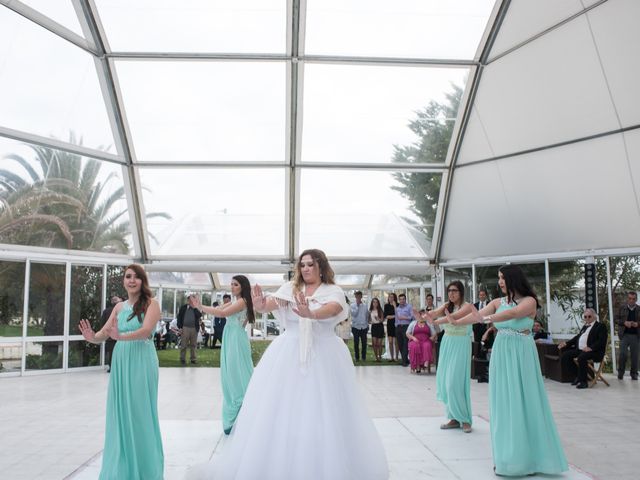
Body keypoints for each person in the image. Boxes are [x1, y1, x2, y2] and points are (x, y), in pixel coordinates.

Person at [188, 249, 388, 479]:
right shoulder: (290, 289)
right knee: (282, 407)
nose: (305, 269)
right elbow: (267, 305)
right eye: (302, 265)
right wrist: (259, 302)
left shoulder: (333, 290)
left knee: (324, 410)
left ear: (321, 267)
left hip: (324, 353)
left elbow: (333, 308)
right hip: (288, 352)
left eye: (310, 264)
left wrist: (310, 313)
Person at [449, 264, 567, 476]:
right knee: (503, 402)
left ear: (513, 279)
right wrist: (455, 321)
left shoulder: (529, 301)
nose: (500, 281)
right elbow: (476, 316)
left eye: (503, 277)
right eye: (499, 278)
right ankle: (507, 458)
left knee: (524, 401)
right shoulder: (496, 302)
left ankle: (530, 458)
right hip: (502, 352)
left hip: (522, 354)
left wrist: (486, 318)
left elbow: (513, 313)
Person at [78, 264, 164, 480]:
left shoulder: (152, 304)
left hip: (142, 360)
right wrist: (91, 337)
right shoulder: (118, 308)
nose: (131, 280)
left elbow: (145, 332)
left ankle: (145, 470)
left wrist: (121, 338)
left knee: (140, 413)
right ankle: (123, 469)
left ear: (143, 281)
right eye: (128, 277)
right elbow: (104, 333)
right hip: (122, 361)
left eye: (136, 277)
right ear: (124, 281)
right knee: (121, 412)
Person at [194, 276, 254, 434]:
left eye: (236, 284)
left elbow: (222, 314)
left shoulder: (242, 301)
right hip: (231, 337)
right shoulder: (235, 301)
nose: (232, 287)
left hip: (236, 339)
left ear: (243, 287)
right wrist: (201, 306)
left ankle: (243, 411)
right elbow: (220, 310)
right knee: (230, 374)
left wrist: (201, 307)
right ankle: (239, 413)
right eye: (231, 284)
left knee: (237, 373)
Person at [426, 281, 473, 433]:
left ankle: (465, 419)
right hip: (447, 343)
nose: (451, 293)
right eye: (449, 291)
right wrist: (425, 315)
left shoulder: (467, 306)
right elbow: (432, 314)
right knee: (446, 382)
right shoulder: (446, 305)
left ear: (461, 292)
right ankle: (453, 418)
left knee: (455, 382)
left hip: (461, 344)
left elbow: (453, 318)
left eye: (455, 291)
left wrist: (435, 321)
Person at [559, 308, 608, 388]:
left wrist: (591, 348)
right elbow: (577, 337)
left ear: (594, 317)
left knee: (582, 357)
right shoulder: (585, 327)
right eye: (585, 317)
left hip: (595, 352)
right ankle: (578, 376)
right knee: (565, 356)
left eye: (589, 316)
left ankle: (583, 382)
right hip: (581, 350)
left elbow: (601, 341)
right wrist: (566, 343)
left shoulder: (600, 326)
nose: (587, 318)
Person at [616, 291, 639, 380]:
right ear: (627, 299)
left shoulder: (639, 309)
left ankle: (634, 374)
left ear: (636, 300)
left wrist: (637, 324)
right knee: (622, 354)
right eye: (629, 298)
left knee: (635, 356)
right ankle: (620, 372)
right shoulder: (622, 308)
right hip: (624, 335)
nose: (631, 300)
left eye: (633, 299)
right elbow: (616, 319)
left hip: (636, 335)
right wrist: (624, 322)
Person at [406, 309, 435, 373]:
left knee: (427, 345)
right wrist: (413, 338)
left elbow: (434, 333)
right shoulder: (413, 323)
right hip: (415, 339)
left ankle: (426, 362)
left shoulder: (429, 323)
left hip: (426, 339)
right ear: (418, 315)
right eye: (421, 314)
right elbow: (407, 333)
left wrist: (432, 338)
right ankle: (418, 366)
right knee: (415, 346)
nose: (422, 316)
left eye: (424, 314)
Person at [177, 294, 202, 365]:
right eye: (190, 300)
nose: (191, 301)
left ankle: (193, 359)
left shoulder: (196, 308)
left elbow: (199, 315)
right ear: (187, 300)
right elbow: (179, 318)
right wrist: (180, 327)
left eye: (192, 300)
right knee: (184, 345)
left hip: (194, 329)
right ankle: (182, 359)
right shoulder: (183, 307)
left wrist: (194, 308)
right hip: (185, 328)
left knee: (193, 345)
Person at [100, 295, 122, 372]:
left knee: (111, 353)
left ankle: (111, 367)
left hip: (109, 337)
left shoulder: (106, 311)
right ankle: (119, 367)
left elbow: (103, 324)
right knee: (120, 353)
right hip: (120, 336)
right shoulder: (121, 310)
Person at [395, 293, 414, 366]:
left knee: (405, 344)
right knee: (400, 344)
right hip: (398, 327)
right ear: (399, 300)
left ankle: (404, 362)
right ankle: (405, 359)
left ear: (405, 299)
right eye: (400, 299)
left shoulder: (409, 307)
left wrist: (404, 317)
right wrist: (396, 326)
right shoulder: (397, 308)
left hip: (406, 326)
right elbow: (396, 319)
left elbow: (412, 317)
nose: (402, 301)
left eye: (403, 299)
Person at [350, 290, 369, 362]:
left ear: (361, 296)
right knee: (356, 343)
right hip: (355, 327)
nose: (358, 298)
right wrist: (357, 306)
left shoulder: (365, 305)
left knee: (364, 343)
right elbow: (354, 314)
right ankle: (357, 357)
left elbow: (367, 316)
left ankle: (363, 357)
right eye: (356, 296)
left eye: (359, 296)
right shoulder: (352, 305)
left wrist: (367, 325)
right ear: (355, 297)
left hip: (364, 327)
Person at [369, 297, 385, 362]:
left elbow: (382, 320)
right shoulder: (370, 311)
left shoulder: (380, 310)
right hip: (374, 327)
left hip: (380, 326)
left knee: (379, 344)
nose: (375, 303)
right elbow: (368, 320)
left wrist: (378, 318)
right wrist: (370, 322)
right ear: (372, 303)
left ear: (378, 303)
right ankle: (376, 357)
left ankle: (380, 356)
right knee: (374, 343)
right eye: (374, 302)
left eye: (376, 302)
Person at [384, 293, 398, 362]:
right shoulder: (386, 306)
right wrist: (394, 316)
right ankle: (392, 357)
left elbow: (398, 313)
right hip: (389, 325)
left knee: (396, 342)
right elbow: (386, 316)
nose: (391, 298)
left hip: (396, 324)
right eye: (389, 297)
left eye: (392, 297)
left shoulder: (397, 305)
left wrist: (395, 306)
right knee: (390, 342)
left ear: (394, 298)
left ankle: (397, 357)